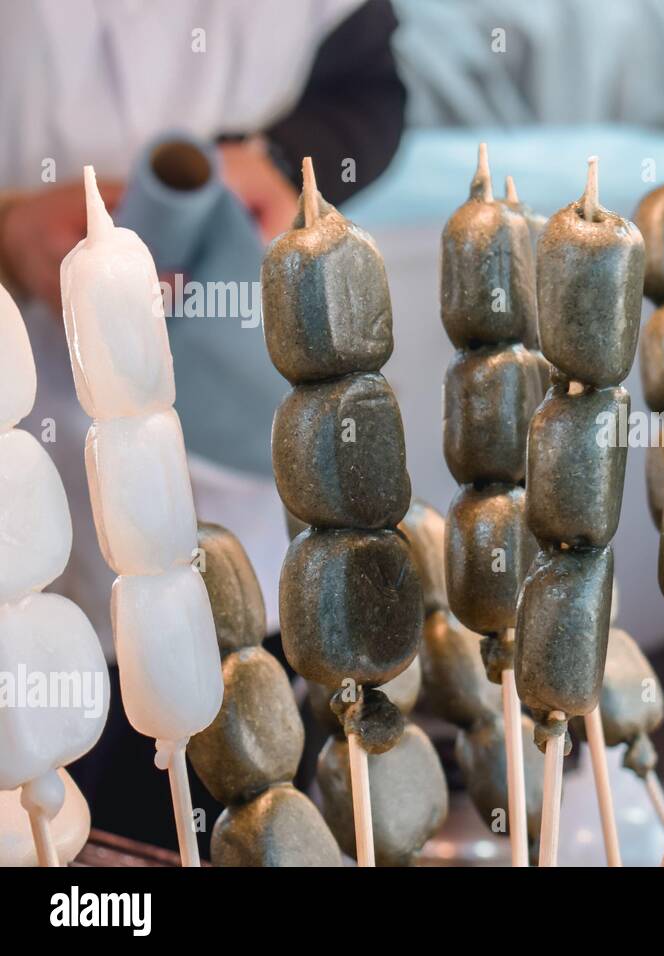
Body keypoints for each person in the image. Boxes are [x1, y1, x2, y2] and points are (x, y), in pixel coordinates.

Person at [0, 0, 406, 852]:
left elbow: (369, 91)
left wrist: (275, 160)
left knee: (238, 783)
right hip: (22, 416)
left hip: (247, 468)